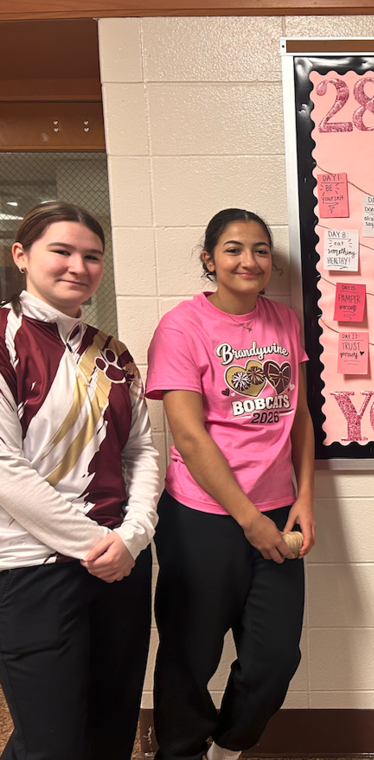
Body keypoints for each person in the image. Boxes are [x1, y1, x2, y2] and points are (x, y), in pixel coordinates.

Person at [147, 208, 315, 760]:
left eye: (261, 250)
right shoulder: (182, 326)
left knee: (274, 658)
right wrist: (250, 521)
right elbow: (190, 437)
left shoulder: (286, 321)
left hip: (278, 510)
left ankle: (228, 746)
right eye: (234, 249)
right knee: (189, 656)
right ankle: (180, 751)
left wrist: (304, 500)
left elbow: (300, 417)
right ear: (209, 258)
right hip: (201, 516)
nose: (250, 260)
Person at [0, 202, 159, 759]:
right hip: (32, 567)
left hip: (120, 565)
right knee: (51, 742)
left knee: (110, 729)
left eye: (92, 256)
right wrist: (96, 543)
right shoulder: (2, 337)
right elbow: (4, 470)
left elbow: (140, 451)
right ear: (22, 255)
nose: (78, 266)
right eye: (61, 251)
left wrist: (133, 538)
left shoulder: (112, 353)